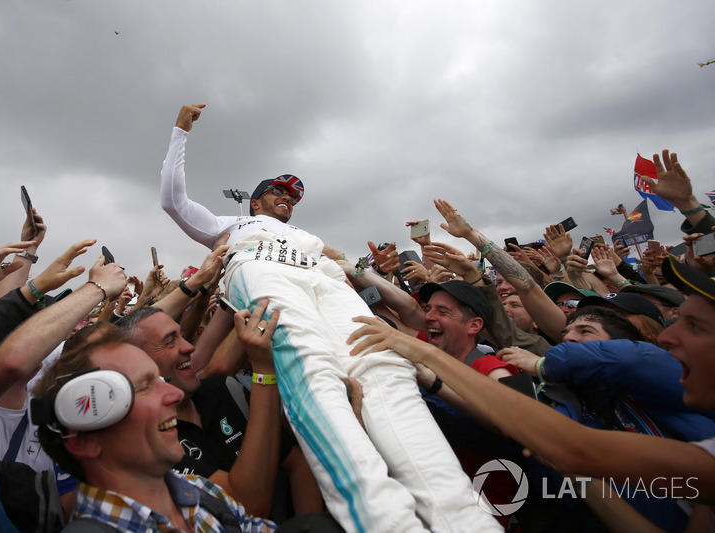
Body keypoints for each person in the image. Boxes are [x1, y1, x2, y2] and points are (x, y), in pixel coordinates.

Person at [160, 104, 499, 532]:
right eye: (278, 192)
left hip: (321, 273)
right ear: (257, 200)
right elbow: (174, 201)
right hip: (261, 264)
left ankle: (466, 521)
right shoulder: (232, 224)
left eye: (293, 196)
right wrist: (180, 132)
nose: (287, 199)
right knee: (312, 367)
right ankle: (387, 522)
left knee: (381, 364)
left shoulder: (308, 236)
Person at [349, 256, 715, 531]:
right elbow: (533, 431)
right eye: (566, 332)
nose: (567, 339)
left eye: (695, 326)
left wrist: (542, 365)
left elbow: (567, 441)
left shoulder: (655, 380)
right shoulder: (568, 403)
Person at [32, 328, 277, 532]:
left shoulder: (197, 490)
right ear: (83, 441)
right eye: (143, 387)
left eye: (161, 380)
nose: (176, 394)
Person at [118, 302, 323, 520]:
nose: (189, 347)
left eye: (182, 336)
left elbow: (298, 463)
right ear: (138, 363)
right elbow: (248, 506)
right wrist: (264, 371)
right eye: (170, 342)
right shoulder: (151, 444)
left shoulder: (224, 390)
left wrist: (311, 526)